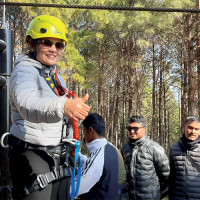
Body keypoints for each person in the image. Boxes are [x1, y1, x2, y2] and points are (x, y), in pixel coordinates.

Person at [8, 15, 90, 200]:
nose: (54, 49)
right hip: (33, 155)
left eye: (59, 45)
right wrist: (64, 106)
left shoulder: (56, 78)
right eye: (47, 43)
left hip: (58, 156)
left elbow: (58, 111)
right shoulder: (24, 72)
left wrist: (72, 115)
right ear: (32, 44)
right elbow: (28, 104)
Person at [121, 115, 170, 200]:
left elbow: (166, 174)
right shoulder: (125, 148)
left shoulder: (155, 148)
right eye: (129, 129)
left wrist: (155, 190)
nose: (132, 131)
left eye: (135, 129)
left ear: (145, 129)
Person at [77, 113, 119, 200]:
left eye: (84, 131)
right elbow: (94, 165)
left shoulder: (99, 155)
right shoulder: (110, 148)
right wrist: (77, 156)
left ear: (91, 130)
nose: (84, 135)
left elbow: (79, 186)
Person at [169, 116, 200, 200]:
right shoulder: (174, 148)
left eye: (197, 129)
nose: (193, 132)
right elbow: (171, 177)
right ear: (184, 127)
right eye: (190, 128)